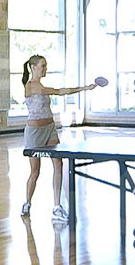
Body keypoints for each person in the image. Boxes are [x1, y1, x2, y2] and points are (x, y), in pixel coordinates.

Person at [19, 54, 104, 224]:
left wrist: (85, 88)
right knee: (35, 172)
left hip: (50, 128)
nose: (45, 68)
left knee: (58, 163)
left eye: (46, 65)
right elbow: (58, 92)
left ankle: (57, 207)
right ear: (33, 67)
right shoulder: (31, 86)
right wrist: (84, 88)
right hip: (34, 132)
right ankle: (27, 203)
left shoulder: (39, 85)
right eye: (42, 65)